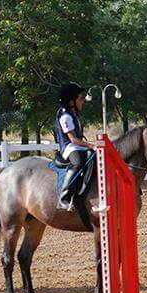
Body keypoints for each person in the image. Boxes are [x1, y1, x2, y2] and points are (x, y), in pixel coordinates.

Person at [55, 82, 94, 211]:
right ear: (71, 101)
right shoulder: (65, 116)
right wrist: (90, 145)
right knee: (78, 162)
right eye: (80, 99)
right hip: (69, 148)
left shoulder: (73, 114)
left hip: (77, 146)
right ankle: (64, 198)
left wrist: (91, 146)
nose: (83, 101)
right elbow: (73, 139)